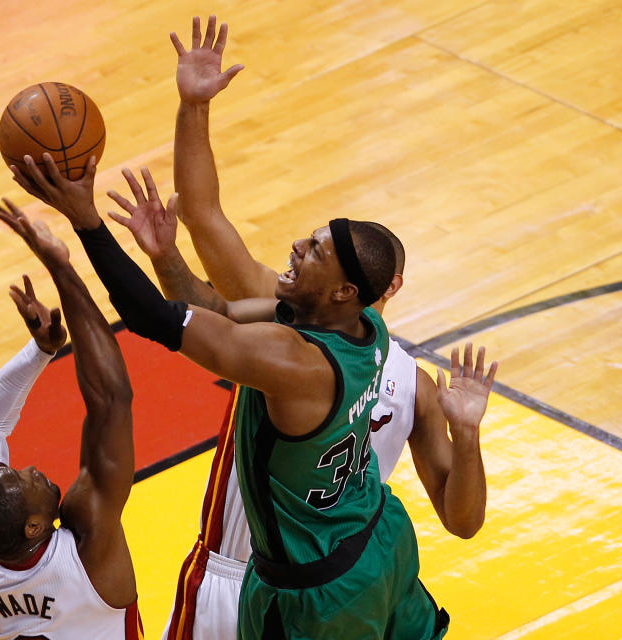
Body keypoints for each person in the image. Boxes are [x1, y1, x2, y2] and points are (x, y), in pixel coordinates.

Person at [6, 149, 493, 639]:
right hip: (378, 535)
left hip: (319, 591)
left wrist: (86, 221)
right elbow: (217, 310)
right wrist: (164, 254)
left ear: (344, 291)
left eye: (317, 250)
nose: (299, 245)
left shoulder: (297, 363)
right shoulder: (367, 328)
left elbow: (153, 318)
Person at [139, 16, 494, 640]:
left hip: (275, 580)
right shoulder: (307, 324)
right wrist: (193, 108)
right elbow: (202, 216)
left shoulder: (333, 350)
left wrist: (467, 437)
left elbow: (202, 217)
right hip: (331, 581)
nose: (298, 250)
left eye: (322, 249)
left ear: (360, 289)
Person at [0, 204, 143, 640]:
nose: (31, 470)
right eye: (24, 481)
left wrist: (40, 350)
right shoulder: (87, 553)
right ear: (34, 527)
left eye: (13, 472)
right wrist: (61, 268)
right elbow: (112, 399)